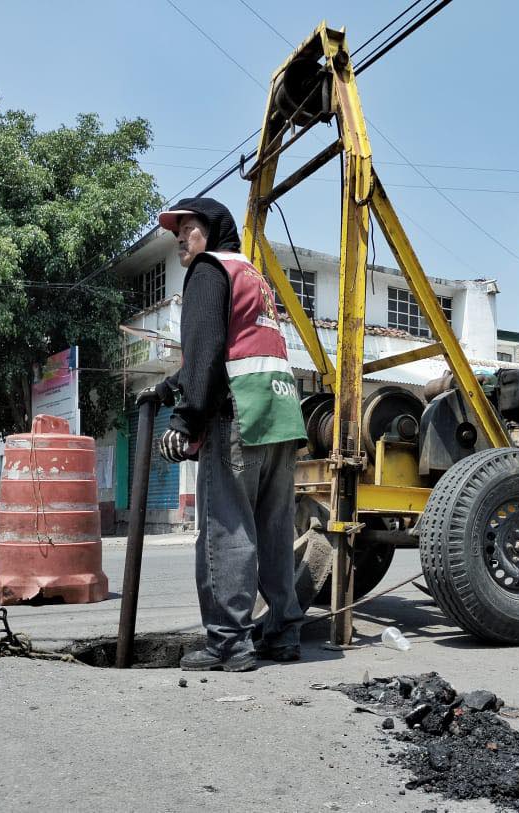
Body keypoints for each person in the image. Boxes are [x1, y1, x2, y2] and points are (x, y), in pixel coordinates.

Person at [145, 197, 307, 672]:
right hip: (279, 416)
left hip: (237, 416)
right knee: (274, 531)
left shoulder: (208, 270)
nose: (180, 237)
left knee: (227, 528)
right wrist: (172, 384)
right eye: (176, 230)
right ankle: (283, 633)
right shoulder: (250, 274)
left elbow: (209, 350)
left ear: (213, 231)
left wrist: (185, 418)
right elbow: (234, 347)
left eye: (189, 228)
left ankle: (229, 643)